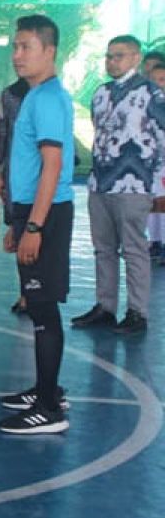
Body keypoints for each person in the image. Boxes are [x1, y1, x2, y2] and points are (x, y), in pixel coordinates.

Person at [0, 14, 75, 435]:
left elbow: (52, 166)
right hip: (32, 211)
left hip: (46, 215)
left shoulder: (46, 99)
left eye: (26, 46)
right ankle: (47, 388)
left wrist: (35, 227)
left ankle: (49, 409)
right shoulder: (36, 96)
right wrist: (19, 221)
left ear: (50, 51)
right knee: (38, 307)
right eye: (15, 46)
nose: (17, 55)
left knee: (43, 310)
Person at [71, 35, 165, 334]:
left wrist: (157, 182)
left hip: (134, 184)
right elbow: (99, 135)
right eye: (109, 56)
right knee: (104, 249)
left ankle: (137, 312)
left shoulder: (152, 94)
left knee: (135, 249)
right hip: (100, 183)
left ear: (136, 58)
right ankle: (105, 307)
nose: (112, 61)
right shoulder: (100, 94)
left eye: (120, 56)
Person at [0, 76, 31, 314]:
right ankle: (26, 293)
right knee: (20, 233)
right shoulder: (9, 94)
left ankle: (40, 293)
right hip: (15, 172)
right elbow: (3, 133)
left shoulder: (51, 94)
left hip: (43, 174)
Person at [149, 62, 165, 265]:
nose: (157, 84)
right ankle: (154, 241)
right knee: (152, 204)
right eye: (153, 80)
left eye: (162, 80)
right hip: (150, 164)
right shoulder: (145, 105)